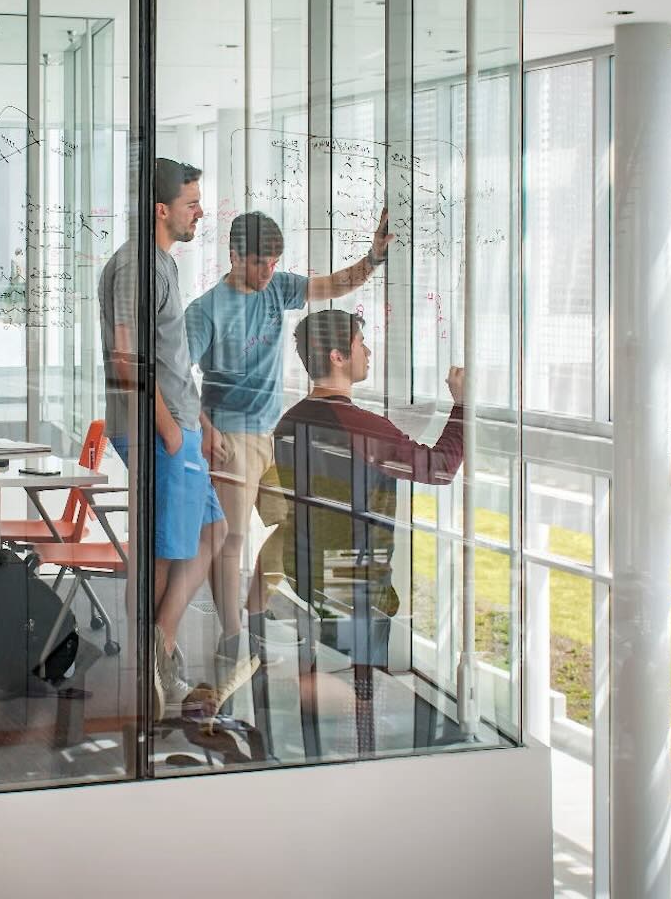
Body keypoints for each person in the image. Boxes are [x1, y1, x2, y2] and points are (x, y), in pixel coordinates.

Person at [184, 209, 392, 672]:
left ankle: (254, 618)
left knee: (291, 525)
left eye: (275, 263)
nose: (269, 273)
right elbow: (175, 376)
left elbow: (332, 286)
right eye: (261, 263)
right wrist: (206, 428)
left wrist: (373, 258)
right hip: (230, 438)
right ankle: (234, 637)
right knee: (232, 538)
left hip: (271, 435)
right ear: (235, 256)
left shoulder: (277, 289)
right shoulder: (206, 310)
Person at [98, 157, 249, 719]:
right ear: (161, 210)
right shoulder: (139, 266)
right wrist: (169, 432)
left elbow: (171, 361)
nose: (200, 212)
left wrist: (199, 427)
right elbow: (126, 355)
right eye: (191, 203)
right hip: (159, 432)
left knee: (213, 529)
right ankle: (155, 667)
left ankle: (161, 641)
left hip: (178, 428)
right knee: (168, 551)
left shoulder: (160, 264)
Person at [254, 309, 464, 667]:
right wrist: (462, 404)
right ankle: (353, 713)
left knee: (335, 670)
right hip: (353, 581)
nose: (367, 353)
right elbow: (440, 468)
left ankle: (329, 705)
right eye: (360, 344)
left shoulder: (289, 421)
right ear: (338, 357)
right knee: (361, 684)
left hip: (306, 568)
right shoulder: (361, 427)